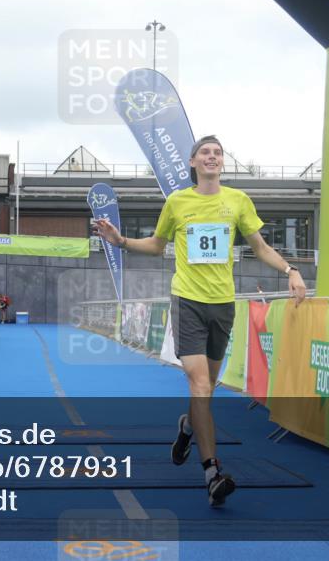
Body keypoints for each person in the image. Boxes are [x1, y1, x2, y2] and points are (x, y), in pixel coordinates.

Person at [94, 135, 307, 507]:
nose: (212, 157)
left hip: (222, 305)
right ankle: (212, 473)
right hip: (187, 301)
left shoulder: (237, 201)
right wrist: (121, 241)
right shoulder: (178, 202)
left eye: (218, 153)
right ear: (193, 162)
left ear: (222, 163)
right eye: (205, 152)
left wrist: (291, 270)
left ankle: (187, 427)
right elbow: (158, 245)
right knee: (201, 384)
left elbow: (260, 247)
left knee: (205, 390)